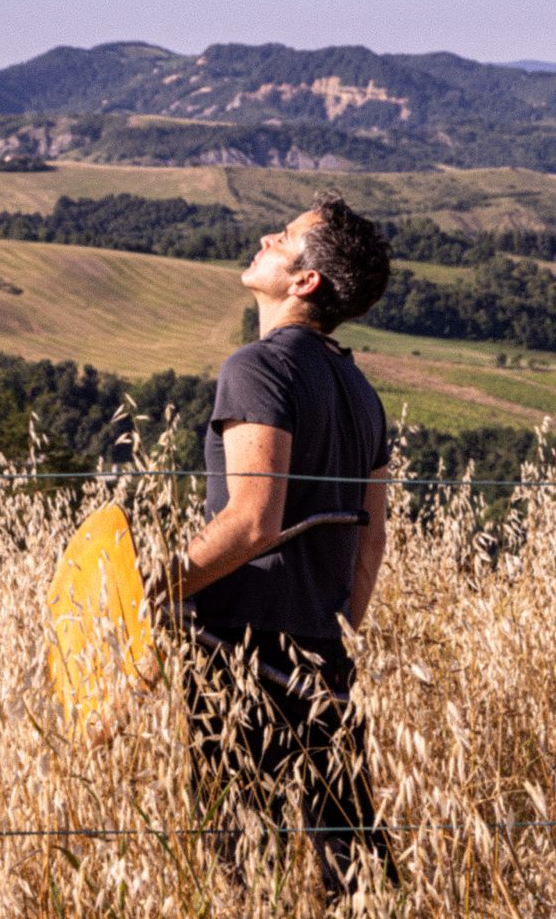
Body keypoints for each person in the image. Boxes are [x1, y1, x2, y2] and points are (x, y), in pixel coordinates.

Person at [162, 190, 396, 901]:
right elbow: (370, 543)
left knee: (243, 871)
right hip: (322, 657)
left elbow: (253, 520)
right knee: (352, 873)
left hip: (239, 651)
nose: (267, 238)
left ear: (305, 281)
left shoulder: (257, 368)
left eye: (284, 238)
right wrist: (335, 635)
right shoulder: (360, 390)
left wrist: (152, 588)